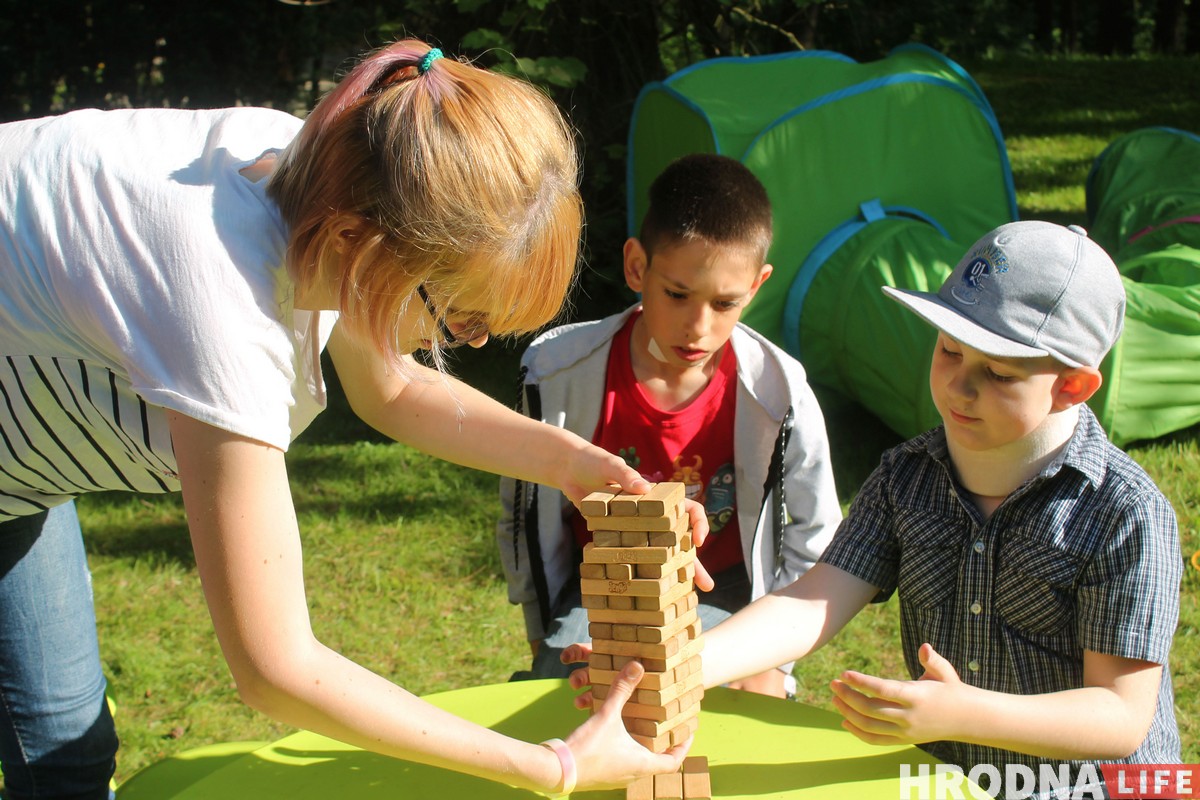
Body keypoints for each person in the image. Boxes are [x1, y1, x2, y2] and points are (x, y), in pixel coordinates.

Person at [0, 39, 713, 799]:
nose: (463, 343)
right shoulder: (223, 302)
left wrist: (573, 463)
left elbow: (393, 390)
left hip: (18, 480)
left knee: (65, 757)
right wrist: (552, 765)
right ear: (354, 245)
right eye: (456, 315)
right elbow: (275, 668)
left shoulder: (346, 169)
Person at [566, 221, 1183, 791]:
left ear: (1071, 386)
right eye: (948, 351)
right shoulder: (906, 478)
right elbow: (813, 601)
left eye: (997, 373)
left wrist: (968, 713)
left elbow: (1120, 716)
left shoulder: (1126, 515)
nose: (959, 387)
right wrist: (677, 664)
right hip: (954, 781)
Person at [498, 153, 843, 698]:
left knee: (719, 726)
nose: (698, 327)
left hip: (727, 594)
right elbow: (522, 517)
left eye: (725, 303)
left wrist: (775, 664)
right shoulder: (555, 373)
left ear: (757, 286)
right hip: (606, 586)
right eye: (678, 294)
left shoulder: (782, 392)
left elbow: (815, 533)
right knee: (568, 695)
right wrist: (546, 640)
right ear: (637, 267)